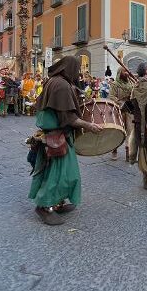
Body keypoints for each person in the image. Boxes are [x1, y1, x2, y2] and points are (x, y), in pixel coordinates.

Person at [29, 56, 102, 225]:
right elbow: (68, 118)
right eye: (76, 70)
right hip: (56, 136)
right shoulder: (61, 85)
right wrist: (89, 126)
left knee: (62, 173)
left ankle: (57, 202)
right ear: (69, 69)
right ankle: (44, 207)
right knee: (61, 175)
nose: (78, 73)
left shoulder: (54, 81)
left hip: (54, 134)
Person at [109, 67, 134, 162]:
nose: (127, 73)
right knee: (117, 131)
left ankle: (128, 151)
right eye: (124, 71)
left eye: (127, 71)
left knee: (130, 131)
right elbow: (111, 96)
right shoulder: (115, 84)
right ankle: (114, 150)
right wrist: (121, 102)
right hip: (119, 110)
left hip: (129, 110)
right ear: (120, 73)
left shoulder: (131, 84)